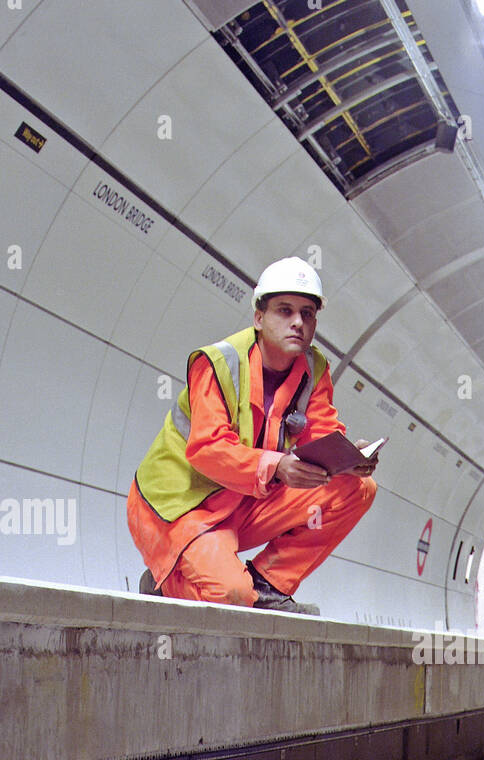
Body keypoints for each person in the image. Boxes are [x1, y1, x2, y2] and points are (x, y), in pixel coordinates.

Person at [127, 257, 378, 614]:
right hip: (177, 509)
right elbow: (207, 449)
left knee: (357, 488)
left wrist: (349, 457)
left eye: (307, 313)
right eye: (284, 310)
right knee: (234, 599)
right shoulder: (218, 364)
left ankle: (269, 587)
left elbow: (320, 433)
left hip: (240, 501)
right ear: (259, 318)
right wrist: (276, 465)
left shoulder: (313, 368)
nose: (297, 322)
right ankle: (164, 583)